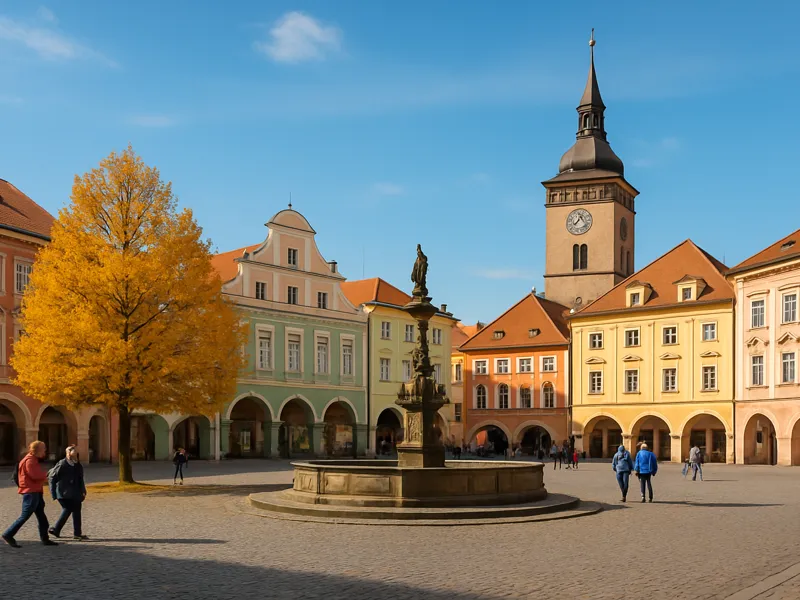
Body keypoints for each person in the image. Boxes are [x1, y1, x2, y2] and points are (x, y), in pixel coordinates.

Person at [2, 441, 58, 548]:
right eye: (44, 449)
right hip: (31, 492)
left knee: (41, 516)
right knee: (25, 515)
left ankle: (45, 539)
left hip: (35, 491)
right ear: (37, 450)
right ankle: (8, 534)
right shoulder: (30, 461)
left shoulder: (32, 460)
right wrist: (47, 475)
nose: (45, 451)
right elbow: (34, 475)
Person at [48, 445, 88, 540]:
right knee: (68, 509)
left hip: (76, 492)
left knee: (77, 511)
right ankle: (56, 529)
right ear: (68, 453)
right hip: (64, 493)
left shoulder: (78, 465)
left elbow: (80, 479)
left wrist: (83, 490)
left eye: (76, 452)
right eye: (73, 452)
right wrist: (53, 492)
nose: (75, 454)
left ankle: (77, 533)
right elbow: (52, 477)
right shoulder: (62, 464)